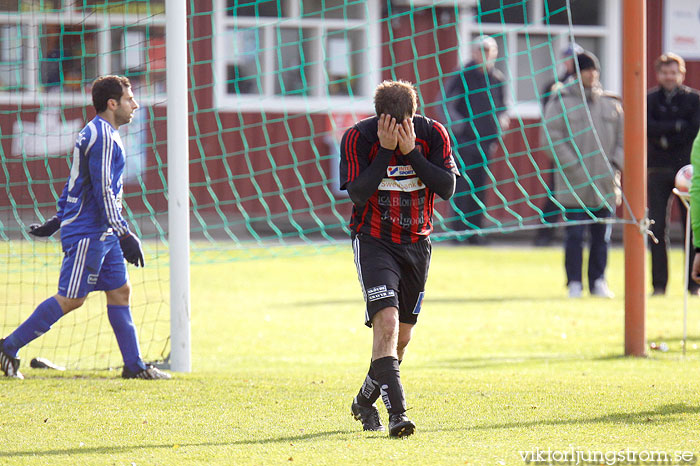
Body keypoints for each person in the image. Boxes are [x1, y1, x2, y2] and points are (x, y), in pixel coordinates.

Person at [0, 75, 170, 380]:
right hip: (90, 233)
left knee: (120, 291)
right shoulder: (102, 136)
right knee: (71, 298)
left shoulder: (101, 132)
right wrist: (125, 234)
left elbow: (77, 182)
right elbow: (104, 189)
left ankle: (134, 365)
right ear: (112, 103)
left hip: (102, 231)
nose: (136, 104)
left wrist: (57, 219)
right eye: (130, 99)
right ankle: (7, 347)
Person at [339, 80, 459, 436]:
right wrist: (387, 152)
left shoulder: (432, 133)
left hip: (417, 245)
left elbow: (447, 188)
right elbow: (358, 193)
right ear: (378, 119)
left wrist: (412, 153)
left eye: (404, 122)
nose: (397, 129)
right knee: (386, 324)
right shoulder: (359, 138)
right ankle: (398, 416)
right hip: (374, 241)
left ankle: (363, 402)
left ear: (413, 115)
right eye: (389, 125)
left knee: (401, 338)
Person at [543, 51, 624, 298]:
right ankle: (574, 283)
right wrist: (575, 168)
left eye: (594, 69)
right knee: (575, 235)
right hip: (574, 182)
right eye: (586, 69)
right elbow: (551, 139)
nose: (592, 74)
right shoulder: (560, 101)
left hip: (606, 181)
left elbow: (625, 138)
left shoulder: (612, 103)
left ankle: (598, 280)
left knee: (603, 235)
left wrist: (615, 164)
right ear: (576, 73)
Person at [444, 35, 508, 243]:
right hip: (464, 141)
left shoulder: (497, 78)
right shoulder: (462, 76)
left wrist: (500, 125)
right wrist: (459, 125)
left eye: (489, 51)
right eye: (481, 50)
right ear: (473, 52)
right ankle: (458, 232)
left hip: (486, 142)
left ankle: (475, 232)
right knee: (462, 186)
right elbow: (444, 102)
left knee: (480, 187)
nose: (485, 55)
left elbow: (502, 107)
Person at [647, 53, 700, 296]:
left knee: (692, 228)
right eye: (665, 72)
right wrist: (675, 127)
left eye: (673, 72)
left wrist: (665, 133)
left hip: (687, 171)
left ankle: (693, 284)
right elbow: (648, 127)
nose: (669, 77)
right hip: (657, 169)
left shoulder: (694, 100)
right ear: (658, 74)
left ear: (681, 74)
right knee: (657, 228)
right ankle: (659, 286)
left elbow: (692, 131)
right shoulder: (648, 100)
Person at [533, 42, 584, 247]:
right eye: (569, 57)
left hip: (583, 145)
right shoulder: (554, 85)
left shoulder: (587, 85)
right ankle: (545, 234)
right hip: (563, 146)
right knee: (555, 190)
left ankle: (580, 233)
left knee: (582, 191)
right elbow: (548, 116)